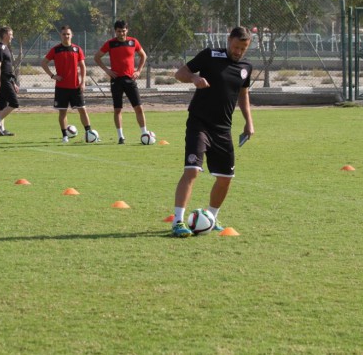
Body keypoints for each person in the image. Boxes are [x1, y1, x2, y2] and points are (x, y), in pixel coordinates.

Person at [170, 26, 255, 238]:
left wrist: (249, 122)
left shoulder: (246, 67)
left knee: (226, 177)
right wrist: (194, 79)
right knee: (192, 171)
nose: (238, 52)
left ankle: (211, 217)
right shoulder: (210, 55)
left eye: (243, 49)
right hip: (199, 123)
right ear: (229, 40)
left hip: (223, 129)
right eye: (236, 47)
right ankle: (178, 221)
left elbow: (243, 94)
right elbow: (180, 73)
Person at [94, 20, 149, 144]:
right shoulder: (110, 43)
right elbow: (97, 57)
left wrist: (138, 71)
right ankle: (121, 137)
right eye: (119, 31)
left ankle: (144, 134)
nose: (121, 33)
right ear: (115, 31)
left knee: (139, 107)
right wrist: (107, 70)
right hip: (116, 80)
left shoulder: (133, 42)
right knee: (118, 109)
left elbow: (143, 56)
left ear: (127, 30)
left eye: (123, 31)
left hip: (130, 79)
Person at [41, 25, 96, 143]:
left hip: (76, 86)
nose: (66, 36)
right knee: (62, 112)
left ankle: (89, 133)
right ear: (60, 35)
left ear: (72, 35)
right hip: (61, 88)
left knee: (82, 109)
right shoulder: (55, 50)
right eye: (64, 34)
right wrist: (53, 76)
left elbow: (83, 66)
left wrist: (83, 82)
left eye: (68, 34)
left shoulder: (77, 49)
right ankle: (65, 136)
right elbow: (44, 63)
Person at [0, 26, 18, 136]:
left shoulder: (6, 48)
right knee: (14, 103)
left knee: (2, 105)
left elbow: (8, 68)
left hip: (8, 79)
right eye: (11, 34)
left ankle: (1, 130)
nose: (12, 37)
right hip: (3, 80)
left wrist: (13, 83)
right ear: (5, 35)